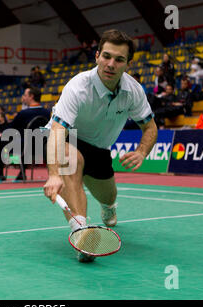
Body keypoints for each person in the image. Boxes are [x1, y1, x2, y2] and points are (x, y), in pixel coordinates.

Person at [43, 29, 158, 263]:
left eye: (119, 59)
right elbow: (57, 131)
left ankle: (108, 205)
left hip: (100, 149)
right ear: (96, 56)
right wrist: (54, 174)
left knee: (107, 195)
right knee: (70, 161)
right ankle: (81, 232)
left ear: (128, 63)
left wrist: (142, 151)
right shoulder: (78, 86)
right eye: (106, 56)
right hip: (70, 139)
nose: (111, 64)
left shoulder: (133, 91)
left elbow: (150, 127)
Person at [0, 86, 51, 182]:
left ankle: (0, 174)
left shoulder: (24, 113)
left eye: (25, 95)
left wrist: (1, 133)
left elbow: (12, 128)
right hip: (41, 146)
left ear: (31, 96)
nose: (23, 97)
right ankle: (21, 173)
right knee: (27, 141)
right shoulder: (47, 113)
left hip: (24, 146)